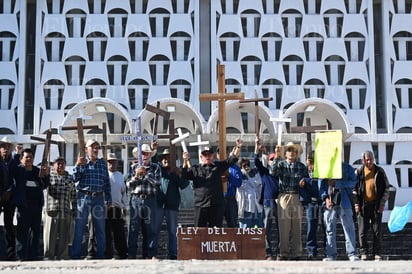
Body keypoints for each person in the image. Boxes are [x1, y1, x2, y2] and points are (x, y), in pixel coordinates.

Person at [181, 140, 241, 227]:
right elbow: (184, 175)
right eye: (205, 155)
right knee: (199, 232)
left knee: (215, 232)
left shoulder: (218, 166)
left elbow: (231, 160)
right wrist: (185, 161)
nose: (207, 157)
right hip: (200, 205)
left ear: (213, 156)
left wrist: (238, 147)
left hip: (216, 205)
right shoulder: (195, 169)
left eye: (209, 155)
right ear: (201, 157)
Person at [71, 139, 111, 260]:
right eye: (92, 147)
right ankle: (75, 254)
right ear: (86, 149)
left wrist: (108, 199)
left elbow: (106, 183)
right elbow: (74, 179)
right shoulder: (82, 162)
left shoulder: (102, 164)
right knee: (80, 227)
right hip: (84, 196)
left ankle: (100, 254)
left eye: (97, 147)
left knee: (100, 228)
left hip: (99, 197)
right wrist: (78, 165)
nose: (95, 150)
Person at [270, 142, 308, 260]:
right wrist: (276, 155)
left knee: (297, 226)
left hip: (297, 196)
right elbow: (273, 172)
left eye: (294, 150)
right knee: (284, 227)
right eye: (289, 150)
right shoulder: (281, 164)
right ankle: (283, 253)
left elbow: (307, 180)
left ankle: (297, 253)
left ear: (297, 154)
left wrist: (304, 183)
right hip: (284, 197)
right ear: (285, 153)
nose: (292, 152)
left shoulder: (302, 166)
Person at [152, 148, 189, 259]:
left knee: (173, 232)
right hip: (158, 205)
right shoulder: (157, 171)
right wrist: (154, 149)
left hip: (172, 206)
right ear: (161, 160)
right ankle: (153, 253)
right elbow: (152, 162)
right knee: (155, 231)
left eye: (169, 158)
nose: (166, 160)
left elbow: (184, 185)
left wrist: (181, 172)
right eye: (164, 158)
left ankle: (172, 254)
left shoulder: (176, 172)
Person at [353, 150, 390, 261]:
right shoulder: (358, 172)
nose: (369, 161)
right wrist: (356, 203)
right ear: (363, 160)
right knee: (362, 231)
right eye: (367, 159)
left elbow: (387, 188)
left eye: (370, 159)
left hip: (376, 205)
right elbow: (354, 189)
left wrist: (382, 202)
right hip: (363, 205)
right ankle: (364, 252)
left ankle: (377, 253)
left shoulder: (379, 171)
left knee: (377, 230)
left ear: (373, 159)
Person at [14, 148, 50, 261]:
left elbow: (44, 185)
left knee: (35, 233)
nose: (29, 159)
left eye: (31, 157)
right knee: (22, 233)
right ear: (21, 159)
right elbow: (12, 167)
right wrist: (17, 154)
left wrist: (46, 175)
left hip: (36, 207)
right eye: (26, 157)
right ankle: (20, 256)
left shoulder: (37, 171)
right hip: (23, 206)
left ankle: (33, 256)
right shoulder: (18, 170)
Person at [127, 143, 161, 259]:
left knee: (151, 229)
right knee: (133, 228)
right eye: (142, 154)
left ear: (150, 155)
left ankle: (151, 254)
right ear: (139, 156)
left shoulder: (155, 167)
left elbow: (157, 183)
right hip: (136, 200)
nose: (144, 156)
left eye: (147, 153)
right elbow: (128, 185)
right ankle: (131, 255)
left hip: (150, 199)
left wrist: (146, 174)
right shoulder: (132, 167)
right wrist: (136, 175)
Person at [320, 162, 360, 261]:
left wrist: (337, 184)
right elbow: (320, 187)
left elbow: (354, 182)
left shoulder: (347, 167)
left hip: (345, 201)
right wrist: (325, 198)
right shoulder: (324, 168)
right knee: (329, 229)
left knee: (349, 229)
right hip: (329, 203)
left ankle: (352, 253)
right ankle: (330, 255)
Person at [43, 156, 76, 260]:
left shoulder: (69, 177)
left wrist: (74, 209)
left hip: (65, 209)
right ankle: (49, 256)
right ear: (54, 165)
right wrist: (45, 173)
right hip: (51, 210)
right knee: (49, 235)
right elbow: (42, 185)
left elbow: (74, 195)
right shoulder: (49, 176)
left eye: (62, 163)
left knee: (64, 236)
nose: (60, 165)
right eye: (58, 163)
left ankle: (63, 256)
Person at [254, 137, 279, 260]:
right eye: (271, 159)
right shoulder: (264, 172)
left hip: (280, 203)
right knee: (266, 228)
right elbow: (256, 161)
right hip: (268, 202)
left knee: (281, 228)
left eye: (275, 159)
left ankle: (279, 252)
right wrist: (257, 149)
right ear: (268, 161)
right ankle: (268, 252)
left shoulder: (281, 172)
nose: (273, 161)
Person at [0, 137, 22, 261]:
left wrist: (9, 192)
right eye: (3, 146)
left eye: (8, 147)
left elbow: (17, 178)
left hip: (10, 197)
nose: (6, 149)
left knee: (9, 226)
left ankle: (11, 254)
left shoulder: (13, 162)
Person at [300, 155, 325, 260]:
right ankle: (311, 251)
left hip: (323, 201)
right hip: (310, 203)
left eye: (312, 162)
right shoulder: (303, 171)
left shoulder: (322, 171)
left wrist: (308, 181)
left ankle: (327, 250)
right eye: (308, 162)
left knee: (326, 226)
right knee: (311, 227)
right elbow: (300, 184)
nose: (310, 165)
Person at [104, 153, 128, 259]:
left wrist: (124, 207)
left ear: (117, 163)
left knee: (119, 233)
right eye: (110, 162)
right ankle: (108, 254)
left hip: (117, 208)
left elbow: (124, 192)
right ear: (107, 163)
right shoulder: (104, 174)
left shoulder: (120, 175)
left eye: (113, 161)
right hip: (104, 208)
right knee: (106, 232)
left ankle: (122, 254)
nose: (112, 164)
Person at [219, 144, 242, 227]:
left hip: (230, 199)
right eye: (219, 153)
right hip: (217, 199)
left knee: (232, 224)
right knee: (216, 224)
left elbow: (238, 183)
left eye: (224, 153)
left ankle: (233, 240)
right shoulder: (215, 167)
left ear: (228, 153)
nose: (221, 155)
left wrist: (229, 176)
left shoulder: (235, 168)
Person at [236, 158, 263, 228]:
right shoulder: (239, 176)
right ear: (240, 166)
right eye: (244, 165)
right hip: (246, 208)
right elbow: (242, 186)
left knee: (259, 229)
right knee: (245, 230)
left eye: (248, 164)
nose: (246, 167)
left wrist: (250, 173)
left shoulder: (254, 173)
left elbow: (258, 185)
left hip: (257, 207)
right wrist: (244, 172)